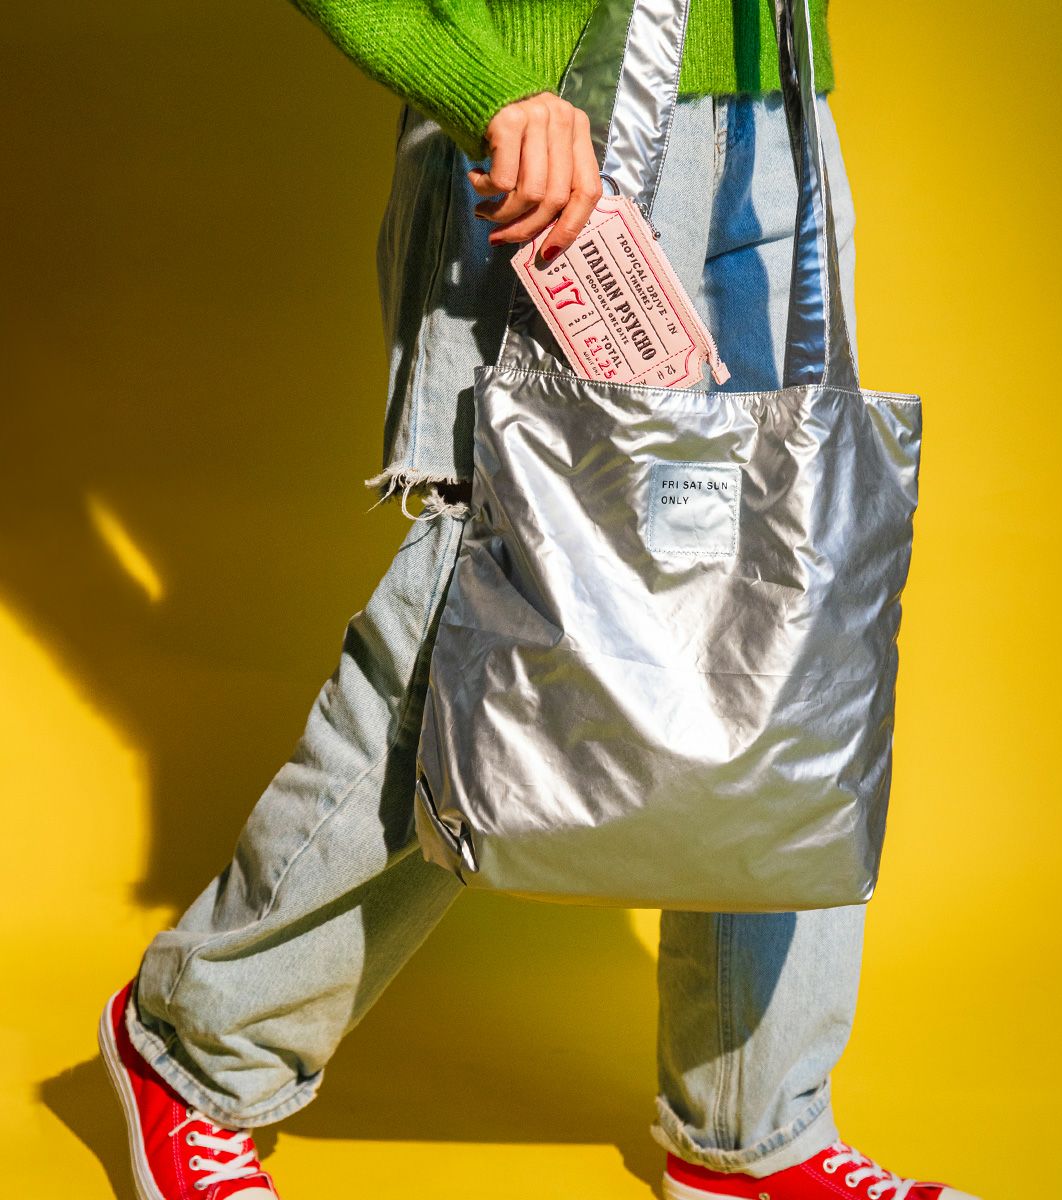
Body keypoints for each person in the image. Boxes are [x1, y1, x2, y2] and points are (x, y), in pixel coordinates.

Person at [97, 1, 979, 1198]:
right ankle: (195, 1052)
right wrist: (485, 84)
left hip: (770, 107)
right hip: (547, 118)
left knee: (786, 616)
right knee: (493, 612)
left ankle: (750, 1129)